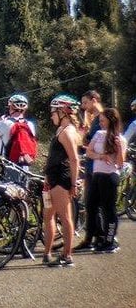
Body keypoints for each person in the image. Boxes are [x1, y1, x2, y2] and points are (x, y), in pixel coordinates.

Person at [43, 94, 81, 267]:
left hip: (61, 178)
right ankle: (47, 253)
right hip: (53, 177)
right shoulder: (61, 130)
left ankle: (67, 255)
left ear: (63, 112)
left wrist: (73, 183)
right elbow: (53, 156)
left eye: (53, 111)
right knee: (48, 214)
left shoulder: (67, 132)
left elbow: (74, 159)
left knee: (65, 216)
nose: (51, 115)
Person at [85, 108, 127, 253]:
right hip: (97, 174)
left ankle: (110, 240)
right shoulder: (98, 134)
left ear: (111, 120)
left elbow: (121, 163)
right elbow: (88, 152)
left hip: (110, 176)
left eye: (103, 120)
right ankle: (99, 237)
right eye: (100, 120)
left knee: (108, 209)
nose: (101, 123)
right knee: (91, 206)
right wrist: (101, 156)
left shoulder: (120, 138)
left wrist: (119, 148)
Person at [75, 90, 105, 250]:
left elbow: (94, 140)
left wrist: (84, 141)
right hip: (91, 164)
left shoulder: (102, 117)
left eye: (85, 102)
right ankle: (90, 238)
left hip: (97, 166)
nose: (83, 106)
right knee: (90, 203)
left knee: (95, 202)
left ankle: (99, 237)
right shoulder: (94, 118)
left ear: (94, 100)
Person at [0, 94, 37, 168]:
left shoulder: (4, 123)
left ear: (10, 107)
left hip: (8, 164)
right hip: (25, 164)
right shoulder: (30, 125)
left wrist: (0, 122)